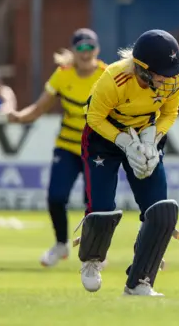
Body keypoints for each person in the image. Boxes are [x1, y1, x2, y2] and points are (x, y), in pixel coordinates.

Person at [77, 29, 179, 296]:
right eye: (163, 72)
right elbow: (94, 118)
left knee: (161, 210)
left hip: (145, 135)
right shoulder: (115, 79)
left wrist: (152, 140)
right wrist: (125, 143)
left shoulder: (175, 77)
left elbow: (170, 113)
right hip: (104, 137)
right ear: (143, 69)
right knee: (102, 207)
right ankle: (92, 260)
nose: (170, 77)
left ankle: (141, 278)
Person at [7, 29, 106, 267]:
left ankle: (95, 251)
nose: (85, 52)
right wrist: (19, 117)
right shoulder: (62, 75)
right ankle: (61, 244)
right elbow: (40, 106)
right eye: (80, 48)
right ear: (72, 51)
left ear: (97, 49)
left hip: (97, 149)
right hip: (67, 146)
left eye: (89, 47)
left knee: (94, 203)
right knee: (55, 197)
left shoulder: (106, 74)